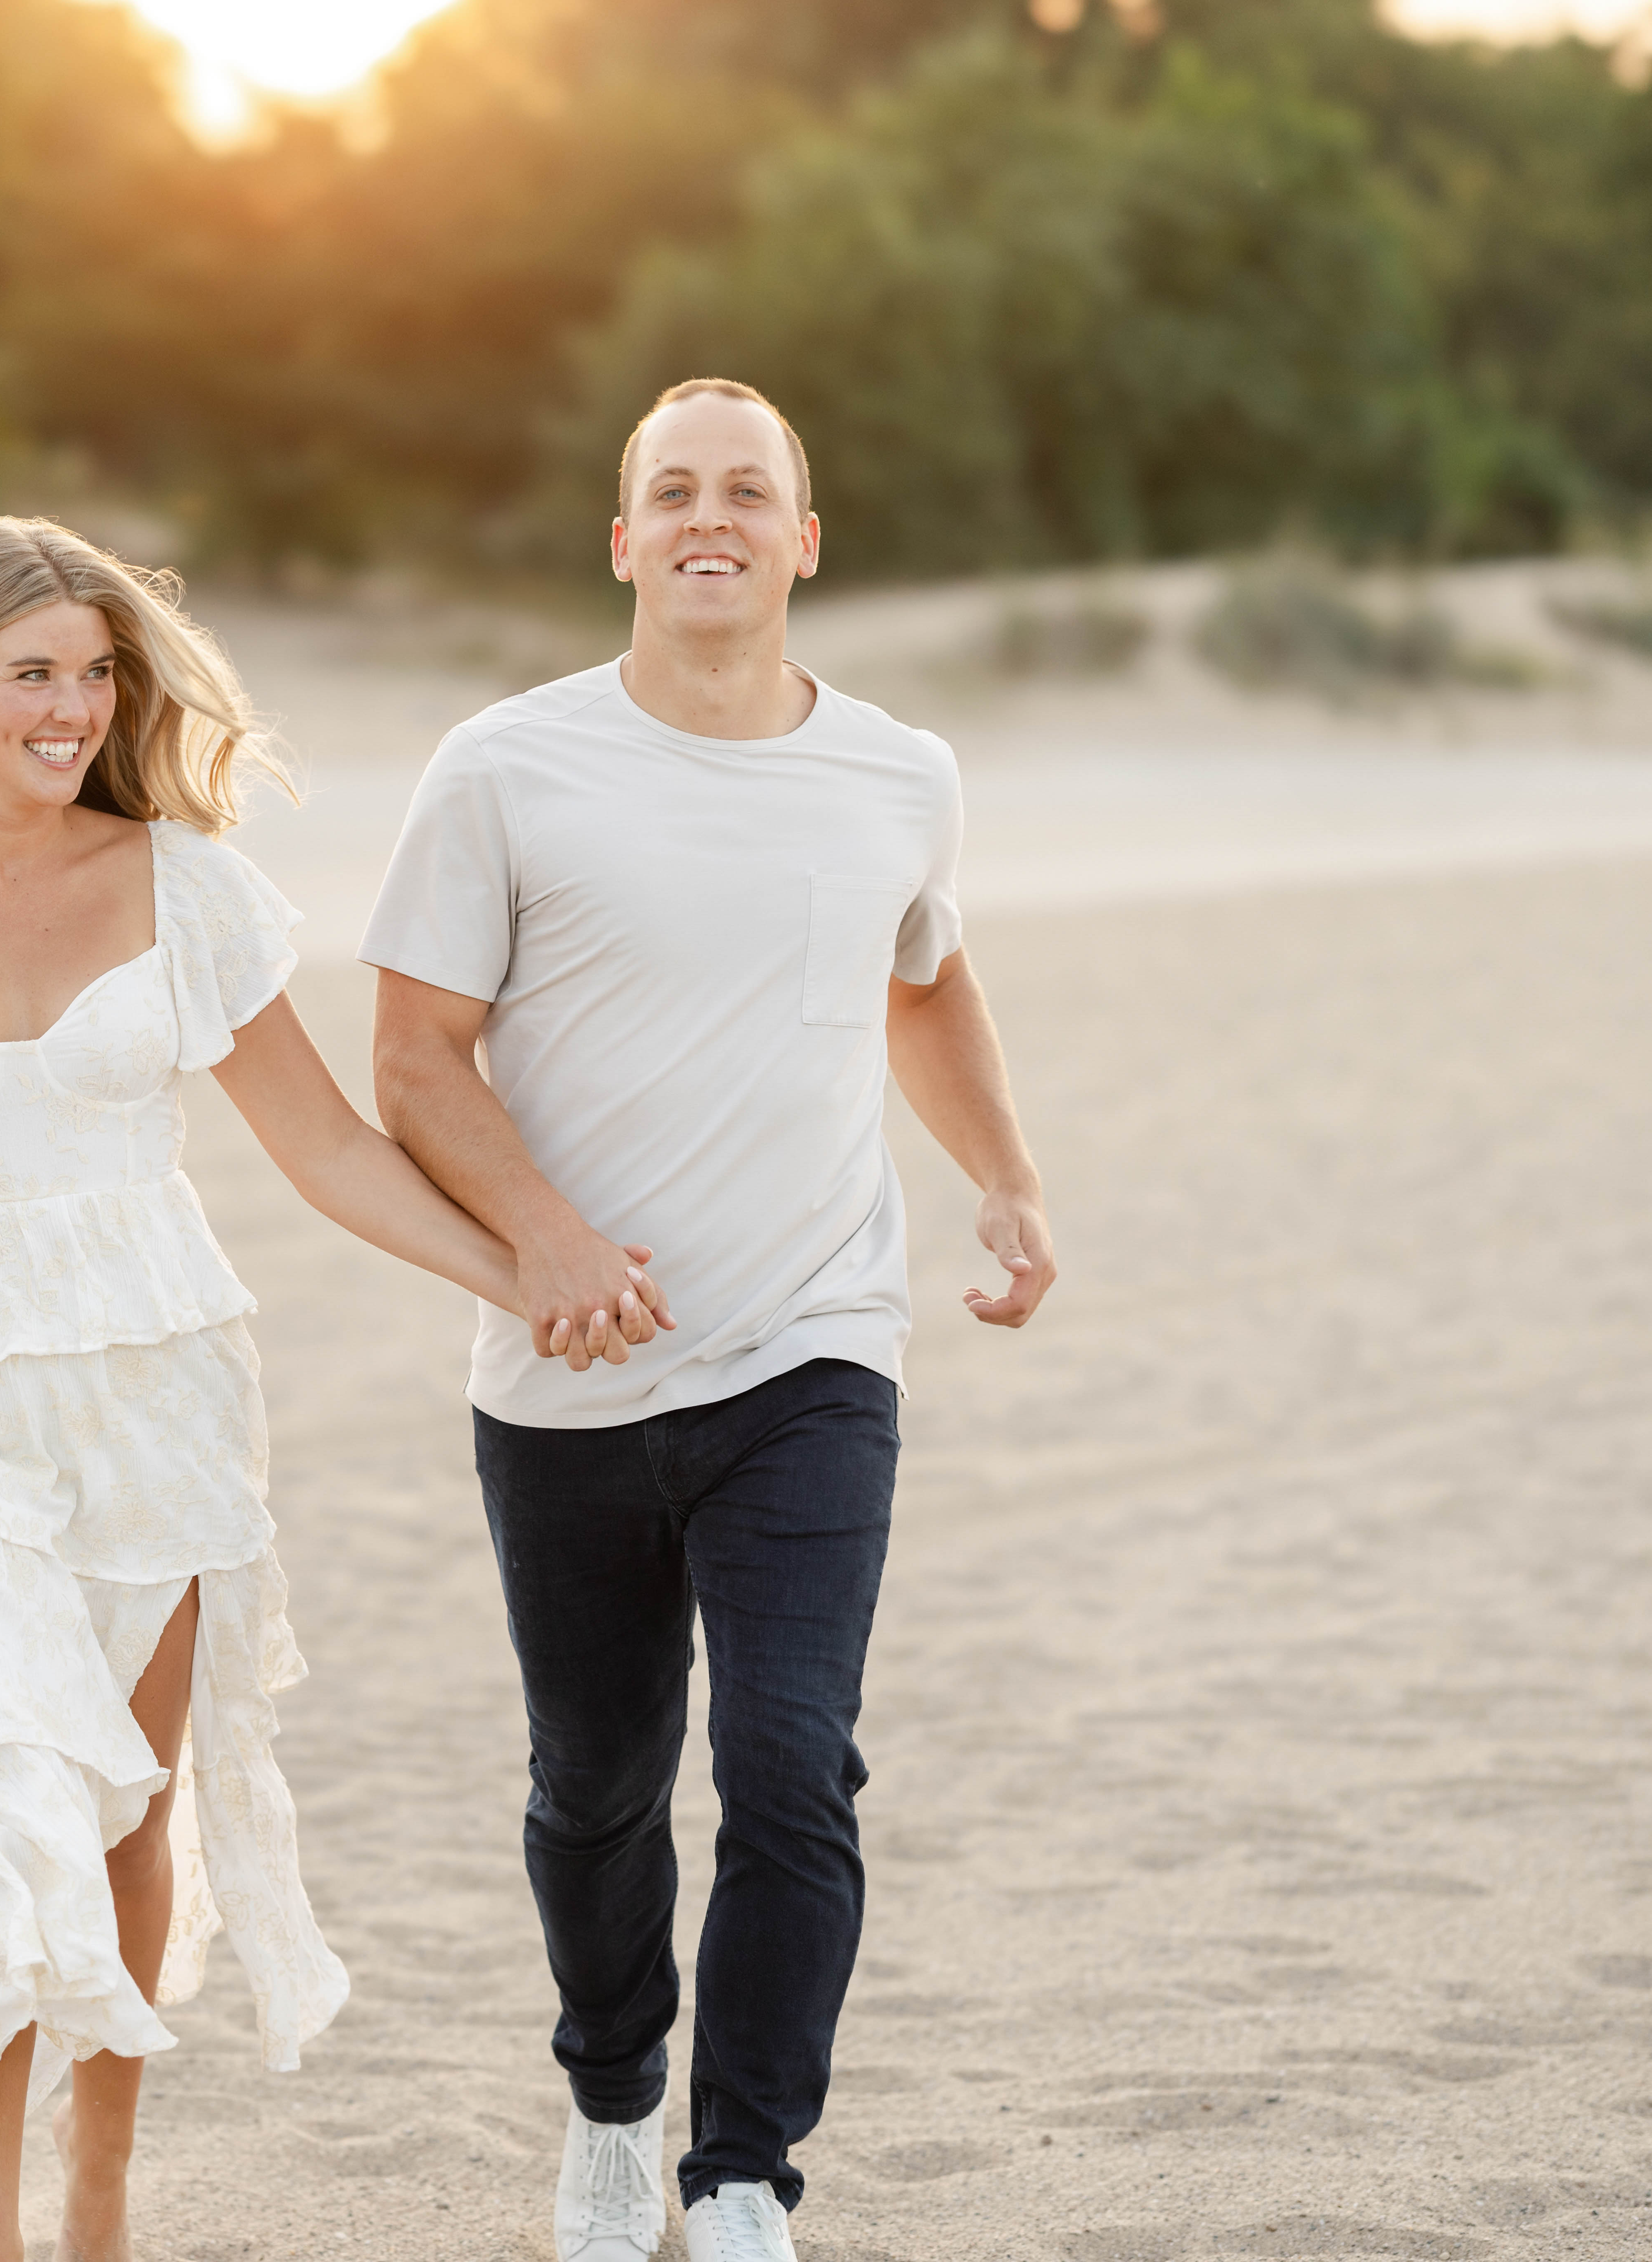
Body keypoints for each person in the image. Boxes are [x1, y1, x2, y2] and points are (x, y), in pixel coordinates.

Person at [0, 516, 669, 2262]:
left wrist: (528, 1274)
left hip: (149, 1383)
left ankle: (95, 2196)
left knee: (121, 1814)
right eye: (33, 674)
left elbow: (326, 1149)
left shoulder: (182, 888)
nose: (73, 708)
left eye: (96, 673)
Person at [361, 379, 1057, 2262]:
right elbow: (412, 1059)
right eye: (672, 490)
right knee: (593, 1788)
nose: (709, 517)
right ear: (622, 541)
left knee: (788, 1761)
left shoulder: (898, 773)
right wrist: (548, 1240)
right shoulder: (505, 767)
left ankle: (743, 2172)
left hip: (812, 1350)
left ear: (803, 540)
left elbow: (926, 977)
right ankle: (612, 2104)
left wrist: (1003, 1175)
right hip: (565, 1378)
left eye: (747, 490)